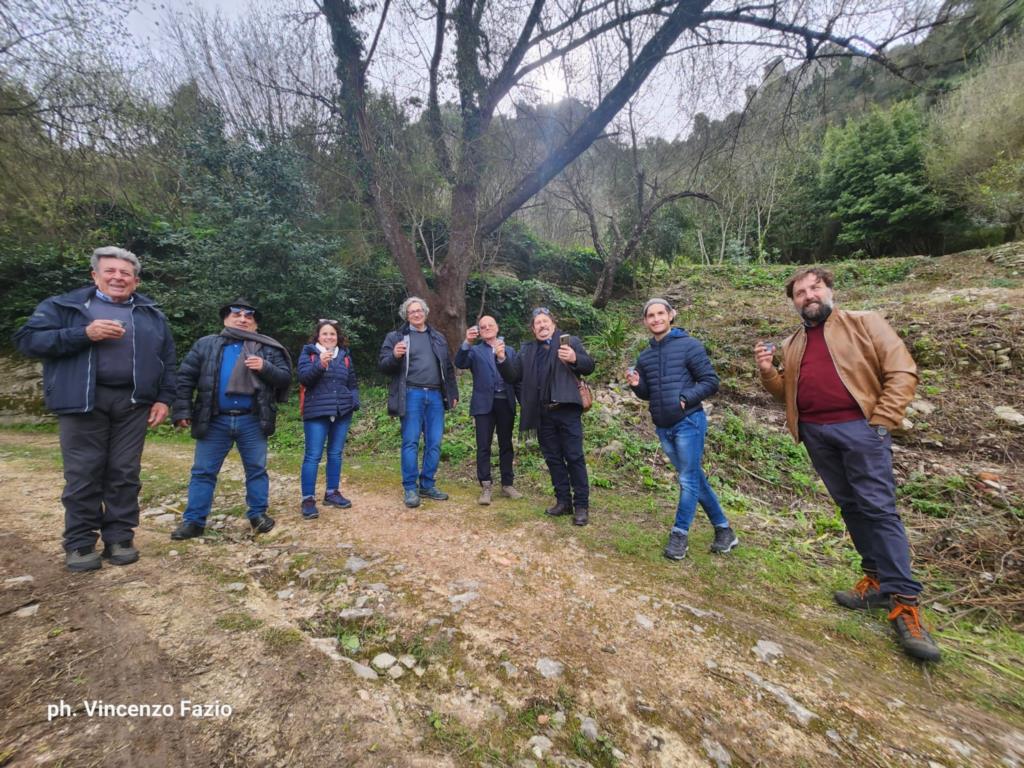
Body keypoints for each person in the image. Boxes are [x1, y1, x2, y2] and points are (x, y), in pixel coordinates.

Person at [755, 267, 940, 662]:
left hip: (860, 430)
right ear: (794, 303)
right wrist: (769, 372)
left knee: (879, 509)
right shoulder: (794, 342)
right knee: (851, 507)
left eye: (815, 288)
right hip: (817, 435)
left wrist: (880, 421)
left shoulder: (865, 323)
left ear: (830, 291)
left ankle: (906, 603)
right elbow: (784, 391)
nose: (808, 296)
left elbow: (902, 370)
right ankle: (876, 580)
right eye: (801, 293)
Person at [13, 246, 176, 571]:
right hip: (81, 398)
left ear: (136, 280)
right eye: (111, 271)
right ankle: (80, 542)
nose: (118, 277)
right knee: (84, 472)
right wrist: (83, 334)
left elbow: (167, 360)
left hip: (133, 402)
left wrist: (164, 398)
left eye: (125, 273)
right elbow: (27, 340)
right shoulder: (66, 307)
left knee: (125, 472)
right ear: (95, 276)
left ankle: (119, 537)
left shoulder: (151, 315)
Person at [170, 298, 291, 539]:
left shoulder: (268, 348)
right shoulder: (206, 345)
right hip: (214, 419)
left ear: (256, 324)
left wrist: (265, 367)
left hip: (252, 419)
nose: (243, 319)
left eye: (249, 316)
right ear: (226, 319)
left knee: (256, 469)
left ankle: (257, 515)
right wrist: (181, 410)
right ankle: (194, 521)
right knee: (203, 471)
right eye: (237, 314)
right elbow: (185, 378)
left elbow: (285, 378)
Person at [627, 298, 738, 560]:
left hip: (688, 421)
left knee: (688, 479)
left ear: (671, 315)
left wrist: (686, 398)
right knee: (694, 479)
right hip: (663, 427)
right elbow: (647, 393)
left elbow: (711, 381)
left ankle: (680, 535)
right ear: (645, 322)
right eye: (650, 316)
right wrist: (635, 384)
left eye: (660, 314)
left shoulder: (690, 345)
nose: (656, 319)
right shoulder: (645, 356)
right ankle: (724, 530)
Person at [497, 307, 594, 525]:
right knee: (552, 458)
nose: (542, 325)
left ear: (553, 323)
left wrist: (574, 357)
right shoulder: (528, 350)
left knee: (574, 457)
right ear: (533, 330)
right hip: (542, 413)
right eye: (537, 323)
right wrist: (502, 358)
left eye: (545, 321)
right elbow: (513, 376)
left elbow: (589, 366)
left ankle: (581, 506)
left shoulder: (569, 342)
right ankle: (563, 501)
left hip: (567, 408)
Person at [378, 297, 459, 509]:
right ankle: (410, 488)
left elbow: (448, 369)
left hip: (435, 397)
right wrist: (395, 356)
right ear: (407, 315)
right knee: (411, 441)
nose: (416, 314)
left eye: (419, 310)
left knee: (435, 442)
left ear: (425, 312)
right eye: (412, 311)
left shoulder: (438, 337)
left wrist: (453, 393)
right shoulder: (396, 337)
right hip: (411, 394)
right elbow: (384, 366)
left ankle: (427, 484)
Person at [455, 315, 523, 505]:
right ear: (479, 332)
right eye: (482, 327)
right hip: (483, 404)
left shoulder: (509, 350)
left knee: (506, 445)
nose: (486, 328)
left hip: (505, 403)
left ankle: (507, 484)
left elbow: (516, 379)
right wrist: (467, 342)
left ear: (497, 327)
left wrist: (524, 402)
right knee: (483, 446)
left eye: (490, 325)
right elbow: (460, 363)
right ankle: (485, 485)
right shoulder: (475, 351)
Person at [297, 319, 360, 519]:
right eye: (324, 334)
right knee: (313, 456)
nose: (329, 337)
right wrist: (320, 364)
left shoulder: (344, 356)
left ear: (337, 337)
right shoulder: (309, 353)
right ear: (318, 337)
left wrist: (353, 401)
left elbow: (352, 383)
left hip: (342, 412)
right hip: (316, 412)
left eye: (332, 334)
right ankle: (308, 499)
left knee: (335, 454)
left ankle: (332, 493)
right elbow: (304, 378)